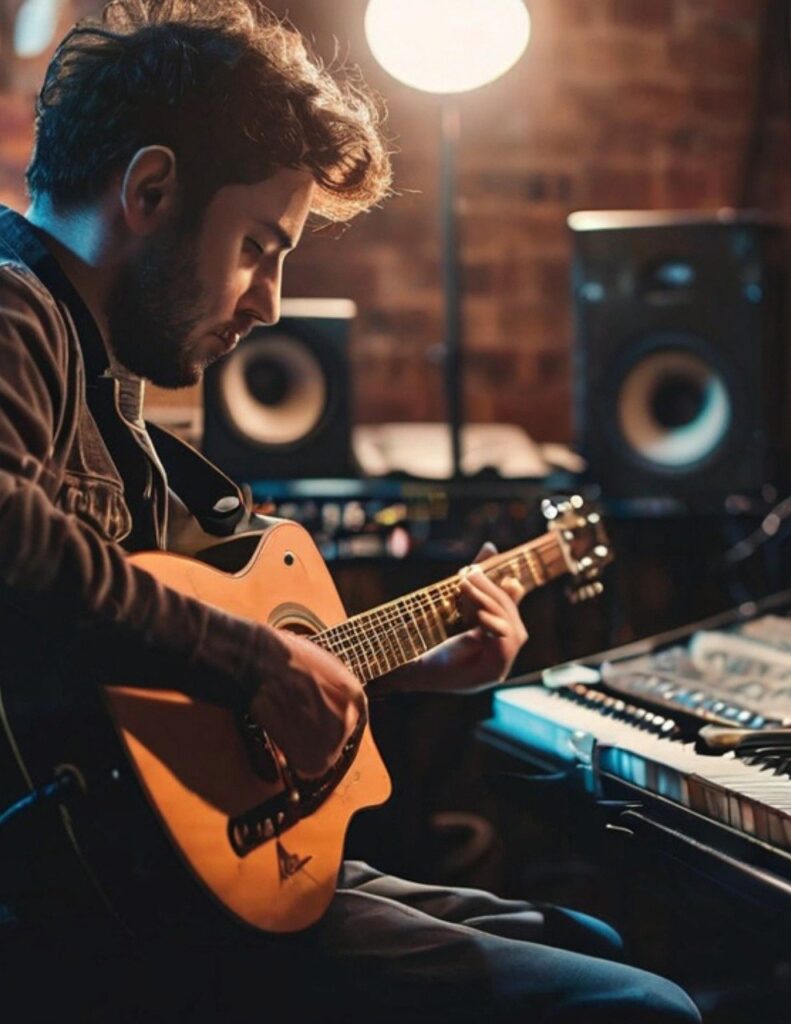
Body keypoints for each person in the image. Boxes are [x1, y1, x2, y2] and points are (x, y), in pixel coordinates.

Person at [0, 1, 700, 1021]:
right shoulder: (15, 310)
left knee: (581, 940)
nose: (269, 301)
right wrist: (263, 661)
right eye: (257, 246)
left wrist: (398, 670)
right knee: (643, 1007)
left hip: (157, 874)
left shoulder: (114, 400)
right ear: (150, 189)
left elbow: (153, 692)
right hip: (91, 918)